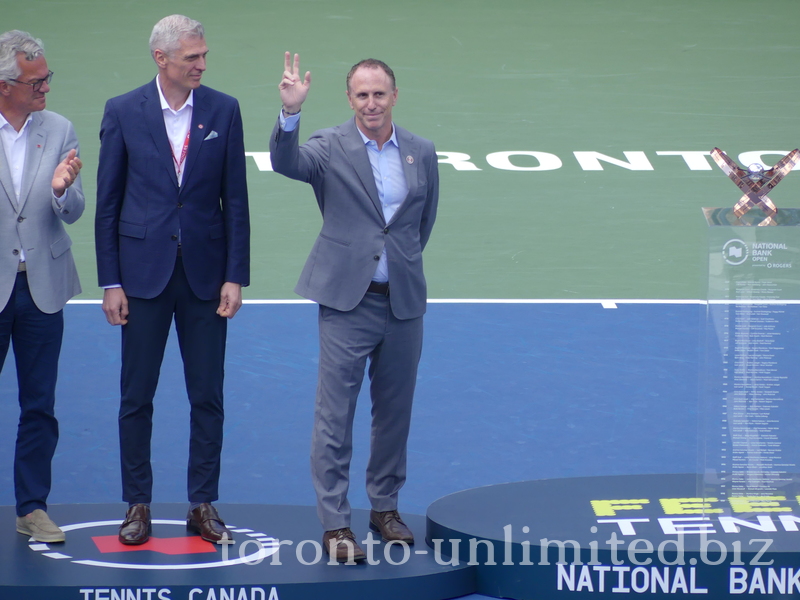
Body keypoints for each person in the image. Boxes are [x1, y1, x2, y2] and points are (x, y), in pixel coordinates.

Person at [270, 52, 439, 562]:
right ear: (349, 99)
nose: (371, 103)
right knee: (334, 416)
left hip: (403, 303)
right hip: (348, 303)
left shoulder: (420, 151)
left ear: (394, 96)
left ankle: (385, 508)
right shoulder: (327, 146)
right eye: (361, 94)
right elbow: (286, 162)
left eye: (379, 93)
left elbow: (420, 223)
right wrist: (290, 115)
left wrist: (398, 265)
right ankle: (336, 523)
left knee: (394, 414)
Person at [95, 15, 249, 546]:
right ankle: (137, 503)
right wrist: (110, 281)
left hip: (207, 278)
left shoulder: (224, 110)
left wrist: (236, 275)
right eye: (192, 57)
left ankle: (201, 503)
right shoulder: (122, 111)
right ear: (162, 59)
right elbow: (108, 204)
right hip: (141, 278)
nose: (202, 65)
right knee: (136, 396)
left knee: (207, 395)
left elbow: (236, 202)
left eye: (203, 56)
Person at [0, 30, 84, 543]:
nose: (46, 89)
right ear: (5, 85)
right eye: (36, 82)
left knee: (39, 406)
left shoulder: (58, 129)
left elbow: (74, 211)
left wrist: (61, 191)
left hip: (41, 290)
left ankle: (31, 507)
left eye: (47, 78)